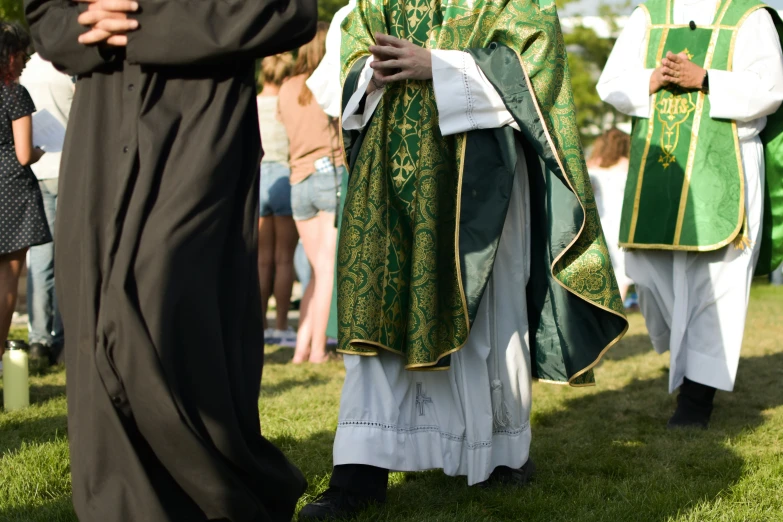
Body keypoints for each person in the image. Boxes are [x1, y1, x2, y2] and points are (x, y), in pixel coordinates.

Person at [299, 0, 629, 518]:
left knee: (488, 320)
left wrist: (441, 66)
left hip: (480, 177)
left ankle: (499, 456)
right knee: (383, 314)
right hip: (390, 173)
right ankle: (359, 473)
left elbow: (536, 69)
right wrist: (368, 71)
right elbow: (338, 71)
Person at [24, 0, 317, 520]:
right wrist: (82, 28)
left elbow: (288, 10)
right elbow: (45, 14)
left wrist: (145, 26)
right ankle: (121, 504)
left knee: (160, 297)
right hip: (104, 117)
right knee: (91, 309)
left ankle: (221, 491)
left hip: (200, 120)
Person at [597, 0, 783, 429]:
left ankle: (697, 400)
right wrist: (653, 77)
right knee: (645, 267)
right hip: (660, 164)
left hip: (726, 159)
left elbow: (771, 88)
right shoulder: (649, 14)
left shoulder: (749, 15)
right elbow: (612, 83)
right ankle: (684, 362)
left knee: (715, 281)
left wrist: (707, 79)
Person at [277, 22, 345, 364]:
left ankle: (301, 349)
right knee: (327, 269)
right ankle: (318, 350)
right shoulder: (327, 84)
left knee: (316, 272)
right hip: (326, 176)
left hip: (297, 181)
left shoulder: (285, 87)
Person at [0, 22, 50, 371]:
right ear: (11, 56)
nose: (26, 62)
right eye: (22, 55)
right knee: (8, 280)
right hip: (13, 190)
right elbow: (22, 154)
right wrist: (38, 152)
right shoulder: (15, 94)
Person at [20, 52, 73, 366]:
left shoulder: (27, 70)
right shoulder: (70, 67)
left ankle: (39, 338)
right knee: (69, 256)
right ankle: (65, 337)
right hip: (68, 167)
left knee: (40, 259)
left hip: (38, 170)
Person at [257, 53, 298, 346]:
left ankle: (260, 324)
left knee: (261, 260)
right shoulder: (288, 103)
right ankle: (282, 324)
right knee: (284, 259)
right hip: (285, 176)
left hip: (259, 179)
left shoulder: (253, 103)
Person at [587, 128, 633, 303]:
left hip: (598, 220)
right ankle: (617, 307)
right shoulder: (627, 164)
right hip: (621, 221)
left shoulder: (592, 164)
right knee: (622, 270)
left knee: (600, 267)